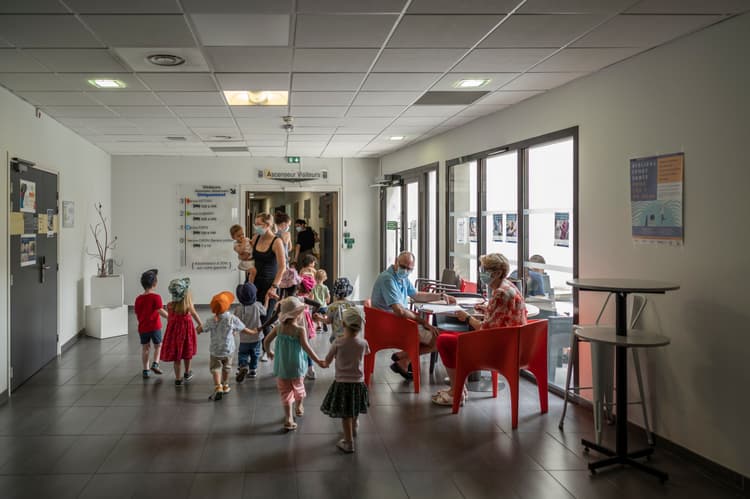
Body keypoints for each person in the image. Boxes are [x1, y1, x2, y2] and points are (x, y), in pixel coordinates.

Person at [432, 253, 527, 407]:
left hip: (498, 349)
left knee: (444, 340)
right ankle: (457, 388)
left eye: (485, 270)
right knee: (450, 337)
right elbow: (503, 317)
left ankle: (456, 391)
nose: (481, 273)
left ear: (496, 273)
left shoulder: (500, 294)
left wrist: (467, 317)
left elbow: (485, 329)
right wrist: (487, 309)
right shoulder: (509, 287)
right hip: (511, 343)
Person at [370, 251, 456, 380]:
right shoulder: (387, 279)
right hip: (390, 326)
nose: (405, 271)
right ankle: (404, 360)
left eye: (409, 269)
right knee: (440, 339)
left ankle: (403, 356)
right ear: (395, 261)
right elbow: (400, 311)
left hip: (397, 323)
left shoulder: (401, 278)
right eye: (403, 266)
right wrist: (423, 322)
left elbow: (416, 295)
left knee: (437, 335)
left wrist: (441, 296)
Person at [263, 297, 324, 431]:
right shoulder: (300, 330)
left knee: (285, 393)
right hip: (297, 367)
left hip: (282, 368)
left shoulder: (278, 328)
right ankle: (299, 406)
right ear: (297, 314)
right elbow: (307, 348)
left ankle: (288, 418)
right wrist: (318, 361)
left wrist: (269, 352)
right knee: (299, 388)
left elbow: (266, 341)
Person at [319, 306, 370, 453]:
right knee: (353, 407)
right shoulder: (363, 343)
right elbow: (365, 354)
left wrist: (322, 362)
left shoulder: (338, 343)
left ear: (343, 324)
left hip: (342, 383)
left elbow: (327, 362)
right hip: (358, 382)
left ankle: (348, 442)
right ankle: (354, 427)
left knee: (345, 414)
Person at [201, 291, 256, 401]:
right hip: (228, 350)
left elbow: (202, 329)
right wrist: (252, 332)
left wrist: (197, 329)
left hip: (215, 350)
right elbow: (243, 329)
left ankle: (218, 387)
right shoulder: (232, 318)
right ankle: (225, 385)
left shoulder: (211, 320)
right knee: (227, 368)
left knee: (215, 368)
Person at [160, 277, 203, 387]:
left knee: (177, 357)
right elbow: (195, 315)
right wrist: (200, 324)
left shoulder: (169, 305)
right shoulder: (188, 306)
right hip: (186, 334)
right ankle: (187, 373)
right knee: (187, 353)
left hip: (174, 335)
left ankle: (178, 379)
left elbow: (170, 318)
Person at [250, 212, 287, 337]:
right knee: (253, 318)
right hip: (254, 283)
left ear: (268, 225)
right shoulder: (255, 238)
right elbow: (247, 256)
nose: (256, 226)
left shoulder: (277, 242)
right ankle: (255, 349)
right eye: (255, 224)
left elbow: (282, 267)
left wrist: (274, 287)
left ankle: (267, 350)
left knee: (265, 319)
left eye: (258, 224)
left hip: (269, 285)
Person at [134, 269, 168, 379]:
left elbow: (137, 312)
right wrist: (170, 317)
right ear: (155, 283)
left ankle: (146, 369)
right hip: (155, 327)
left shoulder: (138, 299)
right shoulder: (156, 297)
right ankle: (156, 363)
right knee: (158, 346)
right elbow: (160, 311)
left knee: (145, 348)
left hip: (143, 328)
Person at [234, 282, 266, 382]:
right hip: (256, 337)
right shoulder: (257, 305)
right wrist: (268, 299)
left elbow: (235, 321)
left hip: (244, 338)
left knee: (243, 353)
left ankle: (243, 365)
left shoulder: (238, 308)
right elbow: (264, 312)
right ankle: (252, 370)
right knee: (255, 354)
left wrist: (233, 331)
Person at [315, 277, 357, 344]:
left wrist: (319, 318)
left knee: (338, 354)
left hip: (337, 338)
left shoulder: (332, 307)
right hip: (350, 337)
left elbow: (328, 321)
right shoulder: (352, 305)